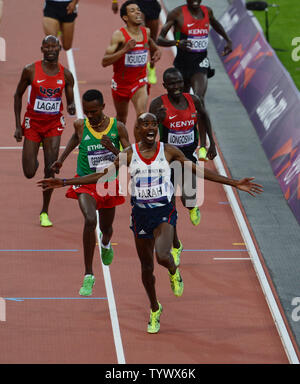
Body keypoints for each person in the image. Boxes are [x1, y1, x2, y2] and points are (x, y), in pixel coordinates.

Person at [38, 113, 263, 334]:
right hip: (140, 215)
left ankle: (174, 271)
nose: (150, 127)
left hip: (164, 213)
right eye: (145, 124)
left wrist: (234, 183)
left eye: (153, 124)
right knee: (146, 268)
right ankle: (155, 308)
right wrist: (65, 181)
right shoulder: (128, 154)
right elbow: (101, 176)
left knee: (162, 256)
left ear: (157, 128)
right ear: (138, 130)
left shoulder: (169, 151)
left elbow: (197, 170)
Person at [50, 89, 130, 296]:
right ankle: (88, 275)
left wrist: (113, 148)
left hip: (108, 182)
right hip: (85, 181)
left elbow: (131, 158)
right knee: (89, 220)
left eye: (94, 111)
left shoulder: (117, 127)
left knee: (107, 227)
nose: (91, 116)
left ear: (103, 107)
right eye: (87, 112)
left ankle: (105, 243)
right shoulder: (80, 125)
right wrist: (62, 159)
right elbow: (75, 140)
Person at [149, 67, 217, 264]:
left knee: (188, 198)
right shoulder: (157, 105)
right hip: (167, 159)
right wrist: (156, 122)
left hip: (187, 156)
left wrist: (209, 142)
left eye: (178, 82)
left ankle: (192, 207)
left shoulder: (193, 100)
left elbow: (204, 116)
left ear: (183, 82)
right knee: (168, 204)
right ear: (165, 86)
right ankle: (176, 245)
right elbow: (146, 131)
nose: (176, 87)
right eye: (171, 84)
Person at [157, 0, 232, 160]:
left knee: (198, 99)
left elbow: (216, 24)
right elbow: (160, 39)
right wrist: (177, 42)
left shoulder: (207, 12)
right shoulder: (177, 14)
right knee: (182, 105)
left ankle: (203, 146)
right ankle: (175, 141)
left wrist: (227, 40)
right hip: (182, 65)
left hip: (200, 62)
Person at [14, 35, 76, 227]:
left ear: (59, 48)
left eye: (54, 46)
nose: (50, 49)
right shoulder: (30, 70)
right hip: (33, 123)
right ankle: (34, 151)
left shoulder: (66, 75)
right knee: (29, 172)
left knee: (50, 169)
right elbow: (17, 95)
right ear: (42, 49)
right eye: (47, 47)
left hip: (53, 125)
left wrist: (72, 106)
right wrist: (18, 126)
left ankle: (44, 212)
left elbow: (70, 98)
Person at [103, 0, 161, 139]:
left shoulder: (146, 32)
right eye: (133, 10)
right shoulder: (119, 35)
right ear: (125, 17)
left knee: (142, 116)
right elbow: (104, 61)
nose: (138, 12)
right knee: (121, 119)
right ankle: (121, 149)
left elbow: (153, 46)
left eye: (138, 9)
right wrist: (124, 50)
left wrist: (157, 52)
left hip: (139, 82)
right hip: (121, 84)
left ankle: (137, 151)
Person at [111, 0, 162, 84]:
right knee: (139, 33)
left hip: (152, 5)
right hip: (136, 3)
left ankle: (152, 67)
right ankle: (133, 68)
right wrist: (114, 1)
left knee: (152, 39)